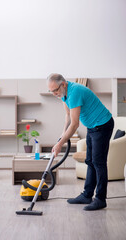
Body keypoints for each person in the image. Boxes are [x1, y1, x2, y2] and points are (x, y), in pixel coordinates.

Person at [47, 73, 114, 211]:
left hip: (102, 125)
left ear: (63, 84)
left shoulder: (75, 92)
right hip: (92, 126)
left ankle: (100, 199)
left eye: (55, 90)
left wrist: (60, 144)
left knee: (98, 162)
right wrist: (62, 136)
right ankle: (87, 195)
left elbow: (75, 124)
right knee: (90, 160)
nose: (54, 93)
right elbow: (68, 117)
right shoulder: (63, 94)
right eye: (51, 91)